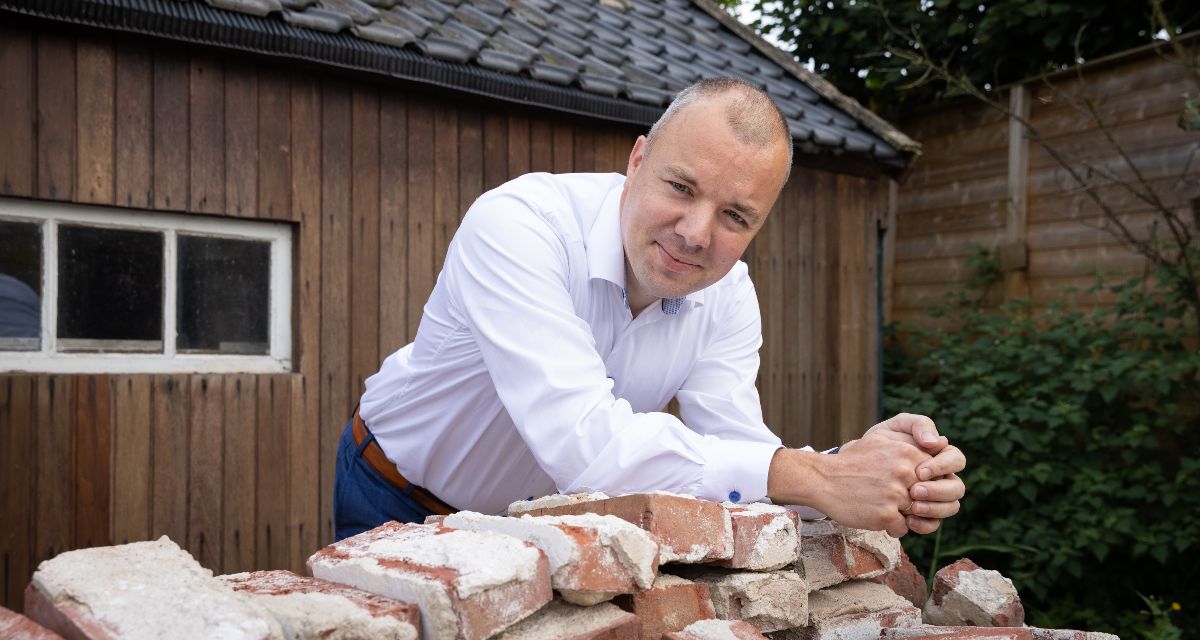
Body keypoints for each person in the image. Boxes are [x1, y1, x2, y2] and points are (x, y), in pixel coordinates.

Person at [334, 77, 965, 541]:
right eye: (682, 188)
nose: (695, 232)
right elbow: (584, 443)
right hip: (399, 493)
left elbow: (737, 456)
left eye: (735, 216)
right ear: (637, 160)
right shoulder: (519, 224)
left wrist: (867, 471)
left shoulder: (729, 294)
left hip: (531, 527)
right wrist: (818, 479)